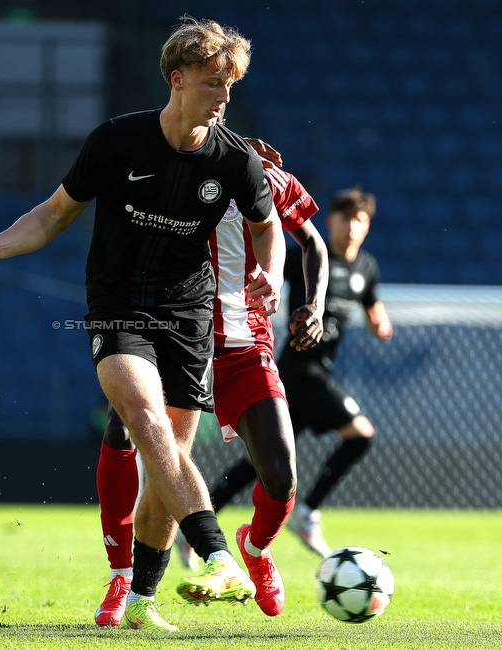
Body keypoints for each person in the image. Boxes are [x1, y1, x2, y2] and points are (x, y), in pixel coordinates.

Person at [0, 16, 309, 631]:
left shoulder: (235, 159)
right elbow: (55, 213)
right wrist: (1, 245)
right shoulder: (117, 142)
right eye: (213, 81)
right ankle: (220, 556)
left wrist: (272, 275)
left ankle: (141, 600)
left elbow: (268, 225)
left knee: (166, 457)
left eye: (231, 83)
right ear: (176, 78)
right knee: (144, 421)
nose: (226, 94)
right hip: (118, 306)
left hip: (188, 315)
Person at [93, 141, 327, 625]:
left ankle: (255, 549)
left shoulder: (264, 177)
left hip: (245, 346)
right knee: (132, 434)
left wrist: (314, 304)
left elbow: (312, 242)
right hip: (176, 334)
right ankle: (125, 581)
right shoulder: (170, 173)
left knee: (281, 476)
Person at [204, 187, 393, 558]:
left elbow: (374, 307)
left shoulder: (367, 267)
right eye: (347, 219)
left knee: (264, 466)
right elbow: (265, 262)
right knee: (361, 435)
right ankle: (306, 514)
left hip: (321, 369)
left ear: (368, 227)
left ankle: (200, 517)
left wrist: (380, 323)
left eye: (361, 220)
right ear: (331, 221)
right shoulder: (306, 255)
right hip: (298, 371)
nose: (353, 227)